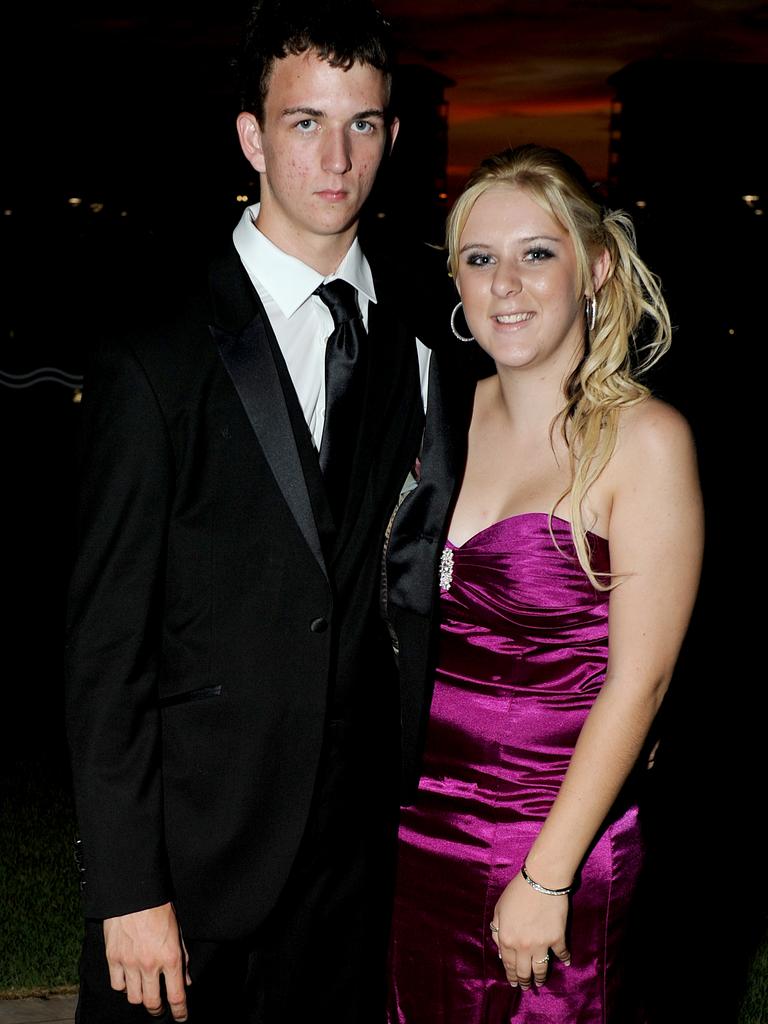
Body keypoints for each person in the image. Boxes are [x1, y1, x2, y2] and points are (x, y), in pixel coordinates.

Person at [64, 2, 431, 1021]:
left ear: (392, 137)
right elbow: (105, 652)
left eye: (361, 123)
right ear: (251, 135)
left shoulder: (419, 341)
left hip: (355, 868)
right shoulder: (153, 354)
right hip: (191, 863)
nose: (336, 155)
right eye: (304, 120)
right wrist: (129, 886)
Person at [384, 144, 704, 1022]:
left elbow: (640, 684)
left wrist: (547, 874)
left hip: (548, 832)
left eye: (537, 253)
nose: (506, 286)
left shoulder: (645, 441)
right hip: (412, 831)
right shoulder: (435, 416)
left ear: (595, 267)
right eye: (480, 259)